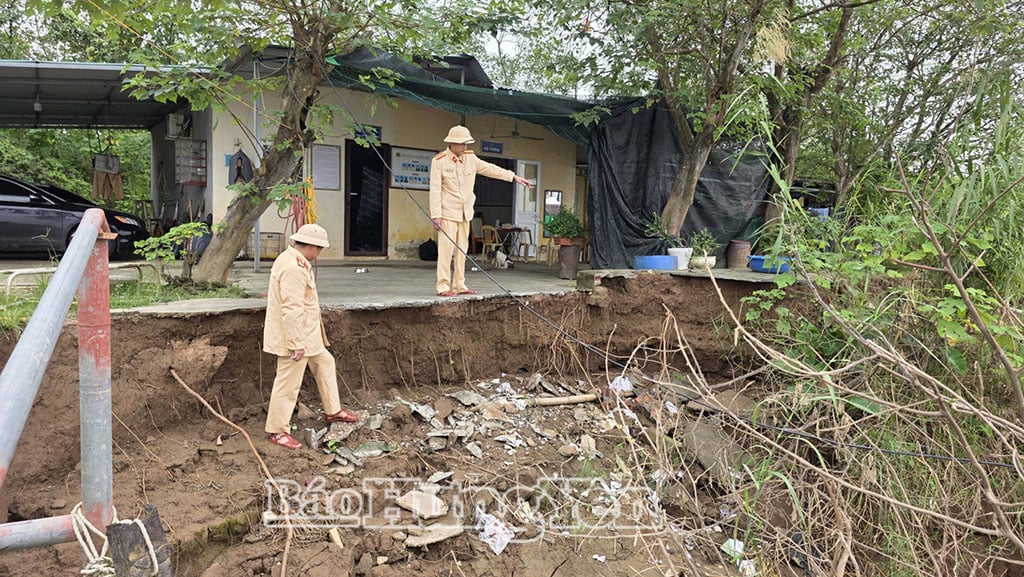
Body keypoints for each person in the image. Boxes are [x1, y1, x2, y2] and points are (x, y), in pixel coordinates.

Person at [263, 223, 359, 449]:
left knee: (325, 362)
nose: (319, 254)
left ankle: (332, 410)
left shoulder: (290, 259)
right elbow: (292, 307)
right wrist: (296, 343)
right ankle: (277, 430)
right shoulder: (295, 268)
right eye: (319, 249)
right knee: (288, 383)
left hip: (308, 334)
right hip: (297, 337)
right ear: (313, 247)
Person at [429, 125, 532, 296]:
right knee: (446, 250)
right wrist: (436, 216)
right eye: (462, 144)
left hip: (465, 212)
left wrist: (513, 176)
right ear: (452, 144)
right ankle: (443, 286)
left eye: (466, 144)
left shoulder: (470, 158)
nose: (465, 147)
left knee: (462, 249)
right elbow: (435, 190)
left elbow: (490, 169)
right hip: (448, 212)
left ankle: (460, 285)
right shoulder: (439, 161)